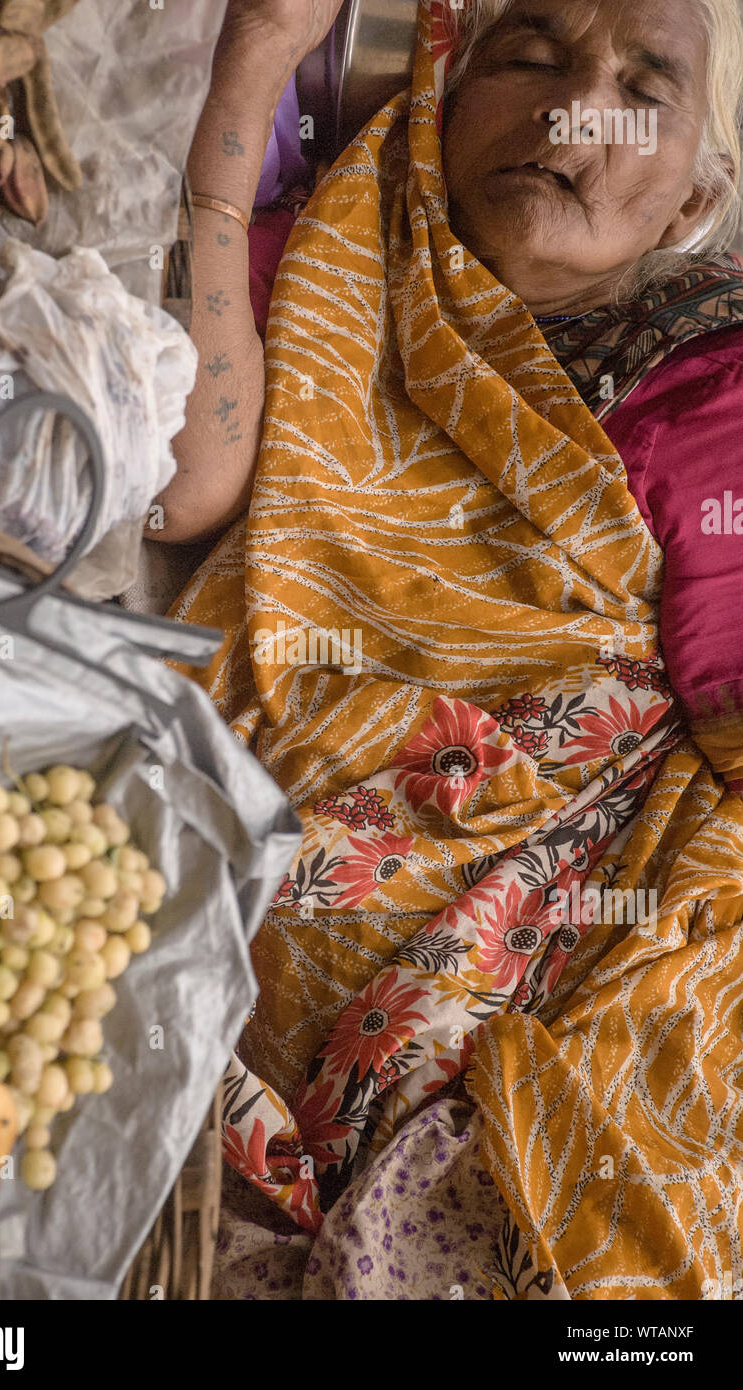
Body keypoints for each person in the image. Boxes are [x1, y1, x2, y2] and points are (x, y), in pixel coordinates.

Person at [161, 0, 743, 1300]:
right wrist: (251, 75)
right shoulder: (333, 262)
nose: (574, 107)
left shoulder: (705, 378)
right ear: (438, 101)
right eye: (529, 55)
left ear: (688, 202)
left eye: (641, 86)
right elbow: (182, 486)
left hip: (534, 946)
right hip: (248, 849)